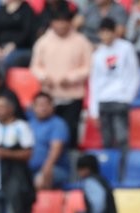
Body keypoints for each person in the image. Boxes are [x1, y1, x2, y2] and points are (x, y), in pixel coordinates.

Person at [30, 9, 94, 146]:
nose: (61, 25)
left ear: (70, 23)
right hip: (50, 97)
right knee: (49, 134)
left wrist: (71, 78)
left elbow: (88, 67)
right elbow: (35, 66)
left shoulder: (82, 42)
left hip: (73, 96)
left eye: (64, 22)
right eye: (57, 22)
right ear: (52, 23)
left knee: (70, 132)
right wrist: (44, 77)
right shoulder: (43, 42)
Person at [89, 17, 140, 152]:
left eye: (108, 32)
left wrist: (128, 96)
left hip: (120, 99)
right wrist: (93, 110)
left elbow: (134, 74)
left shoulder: (126, 48)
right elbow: (94, 82)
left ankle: (123, 171)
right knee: (107, 141)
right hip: (103, 101)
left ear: (114, 32)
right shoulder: (98, 54)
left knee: (122, 138)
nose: (105, 35)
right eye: (102, 32)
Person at [29, 92, 70, 189]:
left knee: (40, 180)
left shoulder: (58, 124)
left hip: (55, 169)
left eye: (46, 104)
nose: (43, 108)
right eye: (39, 105)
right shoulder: (29, 123)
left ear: (52, 106)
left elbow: (56, 149)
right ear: (33, 107)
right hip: (30, 170)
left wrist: (46, 168)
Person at [0, 0, 37, 71]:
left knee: (6, 60)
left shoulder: (27, 10)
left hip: (20, 48)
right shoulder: (1, 10)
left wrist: (13, 45)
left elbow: (27, 33)